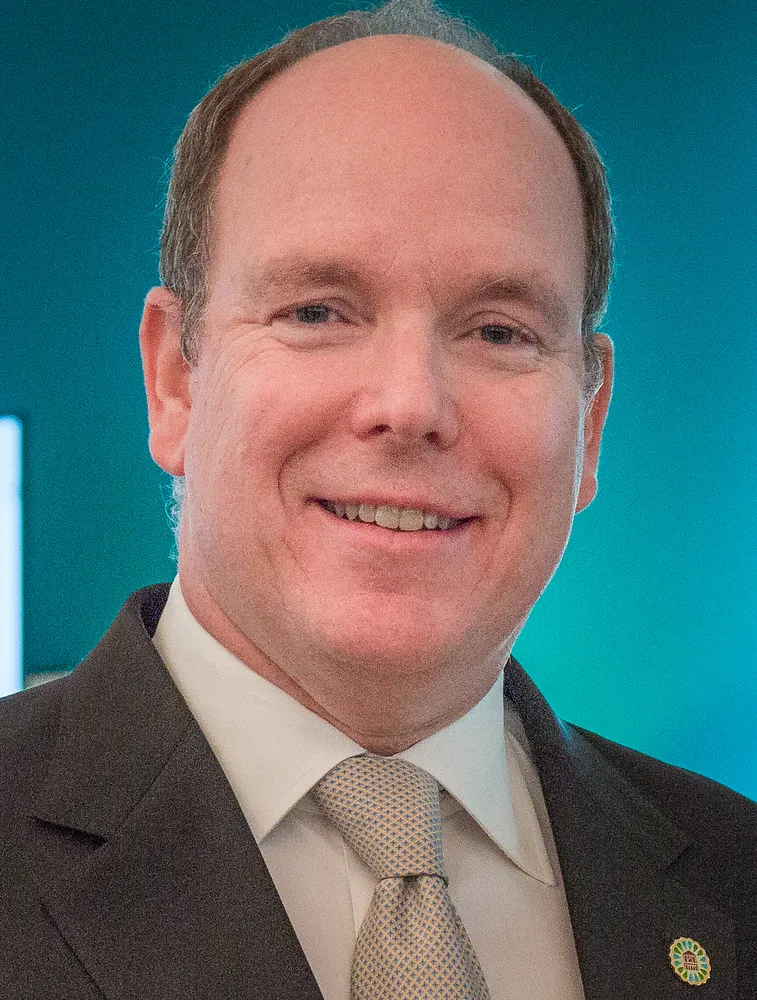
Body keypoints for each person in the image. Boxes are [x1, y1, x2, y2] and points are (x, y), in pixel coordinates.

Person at [2, 1, 755, 997]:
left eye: (498, 331)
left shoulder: (736, 878)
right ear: (174, 382)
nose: (410, 405)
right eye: (317, 311)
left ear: (590, 418)